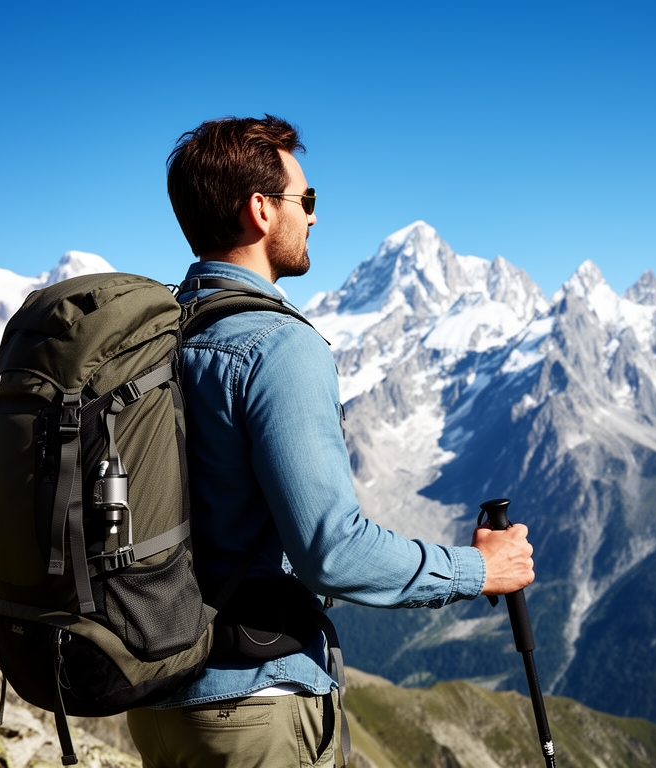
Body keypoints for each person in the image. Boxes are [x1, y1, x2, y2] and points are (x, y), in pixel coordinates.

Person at [126, 115, 535, 767]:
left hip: (157, 701)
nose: (314, 217)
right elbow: (332, 552)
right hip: (252, 706)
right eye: (306, 200)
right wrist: (482, 569)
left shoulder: (156, 340)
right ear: (261, 210)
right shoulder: (277, 345)